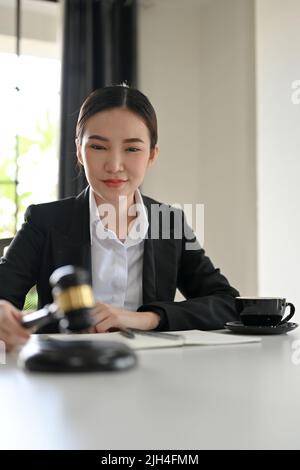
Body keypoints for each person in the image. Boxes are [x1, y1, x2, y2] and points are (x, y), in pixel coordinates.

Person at [0, 84, 239, 351]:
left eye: (132, 149)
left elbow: (226, 303)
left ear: (152, 155)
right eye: (99, 147)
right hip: (66, 371)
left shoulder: (168, 223)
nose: (114, 165)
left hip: (153, 372)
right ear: (79, 151)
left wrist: (146, 318)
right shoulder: (45, 221)